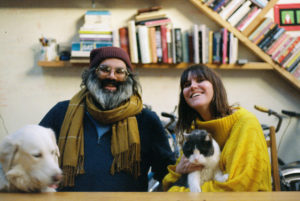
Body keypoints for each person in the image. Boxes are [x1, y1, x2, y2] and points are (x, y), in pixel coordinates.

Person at [40, 46, 175, 192]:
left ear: (129, 78)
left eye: (120, 71)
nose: (112, 76)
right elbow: (34, 158)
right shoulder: (61, 112)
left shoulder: (147, 120)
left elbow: (167, 173)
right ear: (92, 74)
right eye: (104, 69)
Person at [162, 64, 272, 191]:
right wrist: (179, 170)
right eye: (187, 85)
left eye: (200, 80)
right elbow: (169, 183)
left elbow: (239, 187)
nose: (192, 86)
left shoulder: (246, 123)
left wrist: (178, 194)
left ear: (215, 85)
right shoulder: (195, 130)